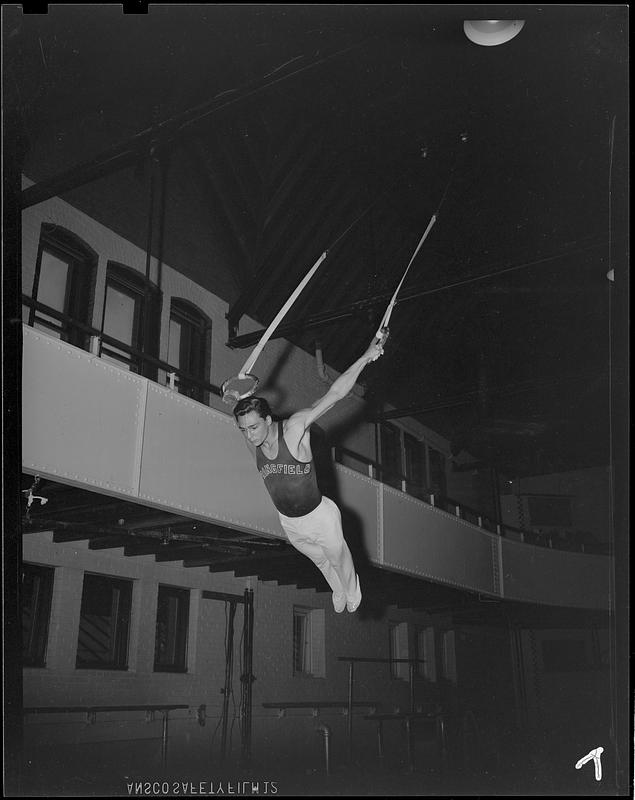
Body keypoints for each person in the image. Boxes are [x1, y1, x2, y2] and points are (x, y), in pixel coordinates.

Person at [233, 338, 384, 613]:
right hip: (290, 522)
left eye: (253, 427)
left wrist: (366, 355)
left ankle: (351, 589)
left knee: (337, 556)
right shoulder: (251, 441)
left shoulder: (294, 429)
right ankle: (337, 588)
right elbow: (246, 413)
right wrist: (240, 394)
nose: (249, 435)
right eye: (244, 429)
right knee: (319, 560)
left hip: (319, 515)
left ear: (268, 420)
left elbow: (335, 394)